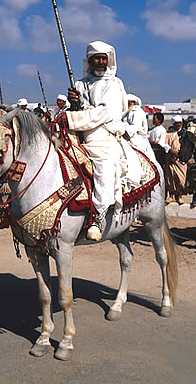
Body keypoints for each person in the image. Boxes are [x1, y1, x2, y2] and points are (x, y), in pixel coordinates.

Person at [57, 40, 142, 241]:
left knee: (104, 166)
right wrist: (73, 104)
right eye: (97, 58)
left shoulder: (114, 84)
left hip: (102, 136)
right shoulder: (79, 83)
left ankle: (98, 216)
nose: (101, 62)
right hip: (79, 134)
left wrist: (72, 117)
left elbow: (104, 113)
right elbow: (78, 111)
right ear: (90, 61)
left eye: (104, 58)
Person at [123, 93, 156, 161]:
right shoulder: (127, 112)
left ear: (132, 103)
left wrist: (123, 127)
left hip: (137, 138)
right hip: (127, 136)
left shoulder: (137, 112)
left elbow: (134, 127)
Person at [164, 115, 187, 205]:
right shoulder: (169, 133)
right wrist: (171, 151)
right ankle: (171, 196)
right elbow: (165, 144)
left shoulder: (185, 134)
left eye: (179, 123)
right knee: (171, 178)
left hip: (181, 159)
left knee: (181, 178)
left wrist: (179, 154)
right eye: (176, 123)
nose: (178, 125)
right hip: (170, 158)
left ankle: (180, 196)